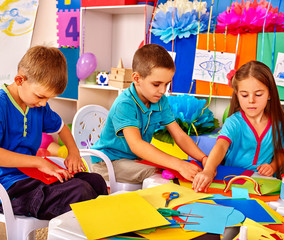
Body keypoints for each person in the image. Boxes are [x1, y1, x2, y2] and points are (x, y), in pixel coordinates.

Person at [0, 46, 107, 220]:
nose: (43, 104)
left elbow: (61, 128)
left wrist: (73, 152)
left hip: (32, 175)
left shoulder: (37, 106)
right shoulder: (2, 104)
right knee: (79, 192)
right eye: (40, 96)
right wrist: (38, 162)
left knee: (96, 181)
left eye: (48, 99)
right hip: (8, 185)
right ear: (20, 80)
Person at [91, 43, 207, 184]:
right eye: (156, 84)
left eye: (167, 84)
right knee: (161, 174)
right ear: (137, 78)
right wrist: (179, 164)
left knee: (170, 169)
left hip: (134, 159)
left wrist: (203, 158)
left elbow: (180, 136)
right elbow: (137, 145)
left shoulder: (160, 101)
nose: (162, 90)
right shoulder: (124, 104)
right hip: (108, 163)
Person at [193, 60, 284, 192]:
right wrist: (209, 171)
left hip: (263, 183)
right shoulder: (234, 122)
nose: (251, 100)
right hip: (232, 180)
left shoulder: (277, 125)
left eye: (258, 94)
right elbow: (221, 145)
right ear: (237, 94)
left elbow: (282, 152)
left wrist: (273, 167)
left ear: (269, 93)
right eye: (244, 95)